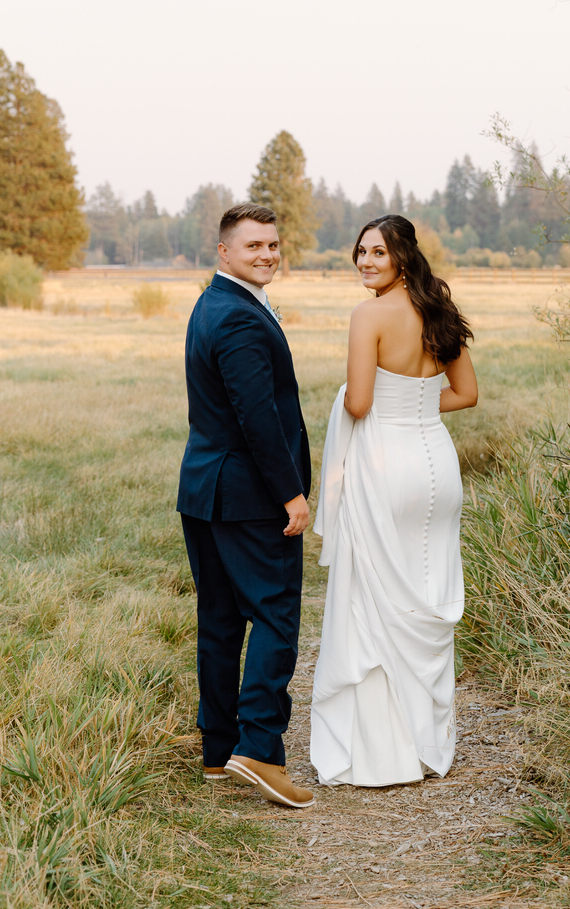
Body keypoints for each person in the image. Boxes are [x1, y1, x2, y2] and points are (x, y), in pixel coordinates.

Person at [310, 214, 477, 787]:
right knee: (424, 591)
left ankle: (385, 755)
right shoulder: (440, 313)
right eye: (360, 252)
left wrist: (378, 407)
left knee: (376, 597)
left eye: (377, 253)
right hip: (435, 462)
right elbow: (467, 394)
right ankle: (427, 742)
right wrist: (416, 408)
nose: (365, 262)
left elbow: (358, 403)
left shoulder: (369, 315)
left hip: (385, 462)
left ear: (402, 256)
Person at [177, 202, 314, 809]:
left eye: (273, 246)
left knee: (222, 620)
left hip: (207, 488)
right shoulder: (237, 318)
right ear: (224, 252)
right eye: (253, 245)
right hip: (249, 496)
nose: (266, 255)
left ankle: (217, 750)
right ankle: (259, 748)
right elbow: (257, 418)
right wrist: (291, 493)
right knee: (278, 614)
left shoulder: (215, 303)